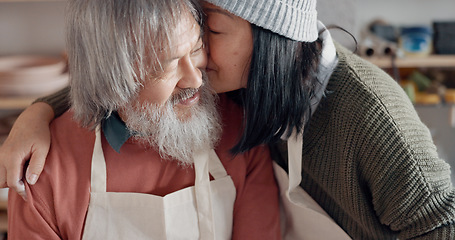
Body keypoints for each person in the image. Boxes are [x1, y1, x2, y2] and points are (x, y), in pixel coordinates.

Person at [2, 0, 455, 239]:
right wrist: (40, 111)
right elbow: (128, 80)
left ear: (270, 38)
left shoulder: (369, 116)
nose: (196, 70)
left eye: (208, 35)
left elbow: (442, 224)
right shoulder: (237, 91)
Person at [5, 0, 281, 239]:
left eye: (196, 48)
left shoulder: (240, 132)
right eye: (166, 66)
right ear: (112, 79)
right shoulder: (44, 169)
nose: (195, 79)